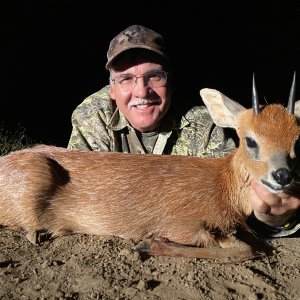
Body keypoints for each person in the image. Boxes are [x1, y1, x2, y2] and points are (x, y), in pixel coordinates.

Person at [67, 24, 300, 238]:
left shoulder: (203, 124)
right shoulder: (92, 116)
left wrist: (276, 219)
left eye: (154, 76)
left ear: (170, 82)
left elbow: (233, 201)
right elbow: (77, 186)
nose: (141, 91)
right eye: (126, 79)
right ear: (111, 89)